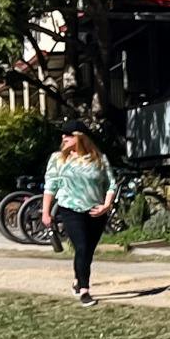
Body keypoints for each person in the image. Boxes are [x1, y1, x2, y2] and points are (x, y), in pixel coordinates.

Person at [40, 120, 116, 306]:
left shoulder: (99, 158)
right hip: (70, 209)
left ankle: (77, 279)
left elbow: (111, 184)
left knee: (87, 251)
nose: (63, 138)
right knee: (81, 247)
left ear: (80, 137)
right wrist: (46, 212)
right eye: (63, 135)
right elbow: (51, 186)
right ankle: (85, 290)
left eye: (68, 135)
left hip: (96, 211)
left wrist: (107, 205)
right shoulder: (58, 159)